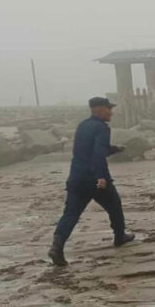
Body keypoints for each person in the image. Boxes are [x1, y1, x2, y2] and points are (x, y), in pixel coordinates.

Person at [47, 97, 135, 265]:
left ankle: (56, 246)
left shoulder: (83, 126)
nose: (111, 112)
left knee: (71, 213)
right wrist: (101, 177)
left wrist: (114, 149)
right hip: (95, 179)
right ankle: (120, 236)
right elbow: (98, 154)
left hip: (76, 177)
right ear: (100, 109)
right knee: (114, 204)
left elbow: (87, 150)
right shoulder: (102, 128)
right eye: (109, 109)